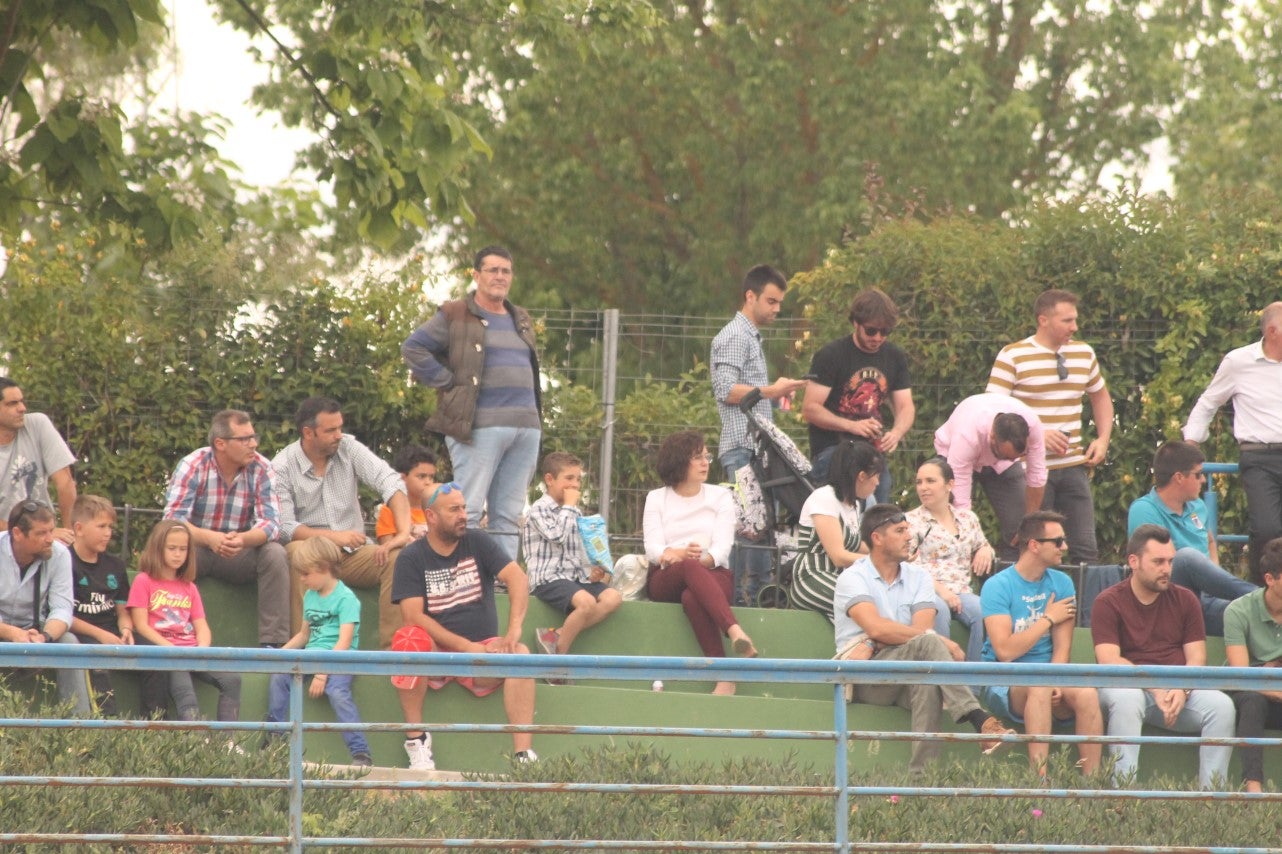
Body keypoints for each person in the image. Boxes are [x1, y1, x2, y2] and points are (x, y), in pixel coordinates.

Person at [833, 503, 1014, 774]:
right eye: (900, 530)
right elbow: (880, 629)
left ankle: (921, 780)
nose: (910, 536)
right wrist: (938, 641)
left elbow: (916, 630)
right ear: (877, 538)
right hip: (866, 677)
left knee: (929, 681)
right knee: (931, 644)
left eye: (908, 529)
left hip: (907, 672)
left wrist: (882, 635)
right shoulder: (853, 578)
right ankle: (979, 719)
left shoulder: (919, 577)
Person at [402, 245, 541, 562]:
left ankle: (501, 580)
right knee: (468, 509)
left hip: (526, 428)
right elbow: (414, 348)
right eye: (493, 270)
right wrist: (448, 382)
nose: (500, 276)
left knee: (507, 515)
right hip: (478, 427)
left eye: (506, 271)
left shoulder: (520, 318)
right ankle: (466, 574)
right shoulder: (454, 313)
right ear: (476, 275)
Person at [392, 481, 538, 770]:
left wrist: (513, 632)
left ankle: (523, 757)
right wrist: (464, 647)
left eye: (464, 508)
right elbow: (413, 616)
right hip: (438, 655)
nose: (463, 515)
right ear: (431, 517)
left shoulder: (478, 541)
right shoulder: (411, 557)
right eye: (454, 509)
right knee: (409, 639)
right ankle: (417, 743)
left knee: (520, 654)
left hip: (483, 654)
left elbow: (518, 579)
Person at [1091, 524, 1235, 789]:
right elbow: (1109, 659)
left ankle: (1212, 801)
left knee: (1222, 706)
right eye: (1158, 562)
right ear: (1133, 561)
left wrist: (1182, 690)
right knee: (1128, 698)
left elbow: (1196, 659)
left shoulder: (1186, 599)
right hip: (1127, 687)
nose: (1167, 569)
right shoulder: (1108, 601)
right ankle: (1123, 793)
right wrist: (1156, 688)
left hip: (1175, 690)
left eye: (1170, 561)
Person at [272, 397, 414, 649]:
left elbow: (390, 481)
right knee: (295, 553)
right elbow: (284, 527)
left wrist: (403, 532)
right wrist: (334, 538)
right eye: (330, 430)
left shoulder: (348, 446)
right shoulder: (281, 466)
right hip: (312, 553)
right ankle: (303, 652)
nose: (339, 435)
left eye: (340, 427)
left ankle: (393, 653)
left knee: (398, 556)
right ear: (308, 433)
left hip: (354, 554)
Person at [987, 289, 1113, 565]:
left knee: (1085, 549)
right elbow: (991, 412)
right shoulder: (1013, 356)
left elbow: (1101, 396)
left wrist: (1103, 439)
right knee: (1026, 546)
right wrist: (1036, 435)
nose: (1075, 327)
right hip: (1027, 470)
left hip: (1072, 466)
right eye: (1067, 321)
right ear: (1043, 320)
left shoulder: (1083, 353)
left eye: (1075, 320)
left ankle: (1087, 609)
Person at [710, 264, 808, 605]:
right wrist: (771, 390)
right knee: (750, 529)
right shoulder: (735, 336)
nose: (776, 309)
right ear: (749, 296)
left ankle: (753, 598)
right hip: (742, 448)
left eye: (779, 302)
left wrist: (774, 395)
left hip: (753, 449)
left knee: (760, 528)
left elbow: (744, 392)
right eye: (771, 301)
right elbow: (725, 389)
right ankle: (744, 602)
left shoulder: (747, 336)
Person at [979, 511, 1103, 776]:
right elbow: (1005, 651)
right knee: (1038, 685)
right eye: (1057, 542)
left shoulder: (1062, 583)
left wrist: (1056, 680)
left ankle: (1093, 785)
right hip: (1004, 680)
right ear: (1034, 545)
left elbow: (1062, 649)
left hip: (1049, 676)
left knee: (1088, 693)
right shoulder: (996, 586)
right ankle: (1039, 783)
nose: (1065, 547)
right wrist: (1047, 619)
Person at [643, 430, 758, 696]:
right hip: (666, 575)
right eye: (697, 457)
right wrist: (680, 555)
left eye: (706, 455)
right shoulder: (656, 498)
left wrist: (700, 559)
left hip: (712, 573)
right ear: (678, 461)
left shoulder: (720, 496)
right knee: (689, 568)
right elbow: (652, 548)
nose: (706, 462)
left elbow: (721, 549)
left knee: (692, 597)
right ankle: (735, 630)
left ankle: (724, 677)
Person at [163, 409, 291, 647]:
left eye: (254, 437)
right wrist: (209, 538)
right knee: (166, 549)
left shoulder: (262, 468)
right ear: (220, 443)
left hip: (238, 553)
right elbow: (172, 520)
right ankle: (166, 634)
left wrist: (243, 540)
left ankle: (274, 645)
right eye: (244, 439)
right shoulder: (192, 465)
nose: (253, 444)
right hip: (195, 551)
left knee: (275, 553)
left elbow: (272, 524)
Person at [1183, 301, 1282, 580]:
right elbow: (1208, 402)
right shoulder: (1239, 362)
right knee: (1265, 528)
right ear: (1273, 331)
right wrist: (1191, 443)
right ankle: (1256, 596)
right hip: (1259, 457)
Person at [1127, 440, 1256, 634]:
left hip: (1204, 601)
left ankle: (1264, 606)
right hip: (1167, 600)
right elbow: (1153, 563)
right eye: (1198, 474)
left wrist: (1212, 577)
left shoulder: (1198, 507)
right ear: (1179, 477)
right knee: (1186, 557)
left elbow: (1210, 541)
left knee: (1253, 617)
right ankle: (1262, 597)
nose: (1203, 480)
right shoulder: (1144, 509)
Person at [266, 538, 371, 767]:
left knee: (337, 693)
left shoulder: (346, 599)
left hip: (340, 660)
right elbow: (304, 635)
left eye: (305, 573)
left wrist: (322, 674)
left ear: (324, 568)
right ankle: (275, 738)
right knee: (279, 677)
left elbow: (344, 643)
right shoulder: (311, 596)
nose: (301, 579)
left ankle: (360, 752)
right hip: (310, 657)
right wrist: (280, 655)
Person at [802, 287, 914, 501]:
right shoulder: (831, 355)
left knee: (878, 514)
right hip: (833, 450)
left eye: (885, 332)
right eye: (871, 331)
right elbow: (810, 408)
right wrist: (853, 426)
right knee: (845, 511)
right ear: (855, 323)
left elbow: (905, 406)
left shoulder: (894, 357)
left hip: (872, 454)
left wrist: (897, 433)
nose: (878, 337)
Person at [127, 519, 241, 724]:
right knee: (186, 696)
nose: (178, 554)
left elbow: (201, 625)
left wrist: (201, 649)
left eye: (183, 549)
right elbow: (141, 625)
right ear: (157, 548)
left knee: (232, 680)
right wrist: (171, 649)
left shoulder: (189, 586)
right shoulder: (143, 581)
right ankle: (192, 745)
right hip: (167, 654)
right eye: (172, 548)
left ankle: (228, 743)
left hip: (192, 650)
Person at [524, 452, 622, 661]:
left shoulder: (575, 513)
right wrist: (569, 506)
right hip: (548, 578)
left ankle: (556, 635)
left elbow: (579, 552)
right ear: (550, 480)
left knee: (613, 598)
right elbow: (556, 536)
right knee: (586, 603)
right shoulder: (538, 510)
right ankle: (558, 658)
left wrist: (592, 571)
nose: (575, 485)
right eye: (569, 478)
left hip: (574, 578)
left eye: (578, 479)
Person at [0, 500, 92, 716]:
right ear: (17, 533)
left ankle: (80, 728)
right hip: (4, 628)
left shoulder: (59, 554)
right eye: (42, 533)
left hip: (37, 629)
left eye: (51, 530)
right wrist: (13, 633)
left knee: (69, 642)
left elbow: (62, 608)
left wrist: (45, 637)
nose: (50, 538)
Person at [933, 392, 1048, 560]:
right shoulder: (968, 435)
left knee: (1020, 527)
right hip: (952, 454)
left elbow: (1037, 476)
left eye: (1017, 456)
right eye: (1006, 455)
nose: (1013, 460)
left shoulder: (1033, 427)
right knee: (951, 521)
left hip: (1001, 466)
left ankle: (1011, 579)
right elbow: (961, 498)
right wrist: (969, 539)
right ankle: (956, 573)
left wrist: (1029, 522)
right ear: (992, 437)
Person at [906, 457, 994, 662]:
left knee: (984, 612)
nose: (923, 488)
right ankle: (942, 683)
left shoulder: (967, 518)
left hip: (962, 590)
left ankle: (972, 684)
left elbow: (982, 543)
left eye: (930, 481)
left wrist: (985, 549)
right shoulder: (911, 521)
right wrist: (943, 592)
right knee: (939, 610)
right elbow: (909, 565)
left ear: (950, 484)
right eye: (919, 482)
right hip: (928, 590)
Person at [790, 439, 882, 620]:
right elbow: (839, 556)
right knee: (870, 604)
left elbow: (859, 546)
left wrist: (893, 554)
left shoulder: (852, 504)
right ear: (862, 476)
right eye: (876, 475)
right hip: (813, 576)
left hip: (841, 578)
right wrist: (881, 562)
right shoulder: (824, 498)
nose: (878, 483)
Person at [67, 495, 136, 716]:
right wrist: (101, 635)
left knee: (155, 658)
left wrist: (126, 629)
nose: (108, 533)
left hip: (113, 630)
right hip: (82, 632)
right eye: (101, 526)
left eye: (110, 526)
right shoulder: (63, 561)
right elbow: (62, 615)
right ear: (79, 528)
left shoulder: (115, 564)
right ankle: (107, 728)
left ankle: (155, 729)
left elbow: (122, 610)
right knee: (98, 661)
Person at [1223, 537, 1282, 793]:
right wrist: (1265, 679)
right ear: (1270, 579)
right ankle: (1253, 791)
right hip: (1251, 696)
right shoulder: (1238, 611)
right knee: (1252, 701)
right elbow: (1242, 676)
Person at [0, 378, 77, 545]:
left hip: (44, 539)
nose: (22, 408)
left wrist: (69, 536)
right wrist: (36, 534)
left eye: (21, 401)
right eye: (12, 403)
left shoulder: (37, 424)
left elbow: (65, 482)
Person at [377, 444, 438, 544]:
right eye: (421, 476)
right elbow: (387, 550)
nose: (428, 482)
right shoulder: (389, 511)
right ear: (402, 478)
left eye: (431, 477)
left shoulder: (436, 508)